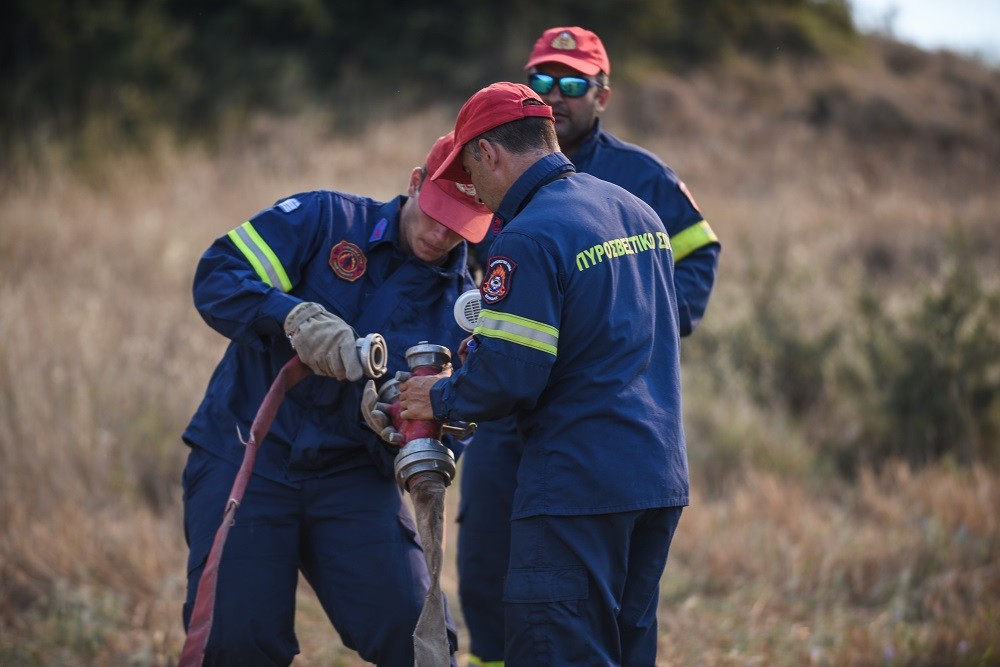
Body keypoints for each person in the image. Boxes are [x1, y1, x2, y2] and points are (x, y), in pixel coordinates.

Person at [396, 81, 689, 666]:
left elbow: (510, 376)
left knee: (557, 649)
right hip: (655, 480)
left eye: (469, 173)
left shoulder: (526, 237)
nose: (473, 194)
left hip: (575, 486)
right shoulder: (636, 210)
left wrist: (439, 397)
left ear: (490, 154)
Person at [459, 26, 721, 665]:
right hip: (517, 419)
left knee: (558, 607)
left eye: (572, 83)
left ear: (603, 94)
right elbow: (463, 270)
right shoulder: (496, 180)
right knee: (494, 567)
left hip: (580, 419)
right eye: (542, 82)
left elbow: (697, 253)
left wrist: (628, 325)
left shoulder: (640, 180)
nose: (556, 95)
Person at [180, 132, 491, 666]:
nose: (442, 234)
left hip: (351, 479)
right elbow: (217, 276)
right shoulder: (323, 220)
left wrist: (391, 425)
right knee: (238, 640)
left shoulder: (465, 319)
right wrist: (291, 317)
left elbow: (440, 449)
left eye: (461, 224)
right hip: (247, 453)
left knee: (422, 640)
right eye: (437, 210)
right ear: (415, 183)